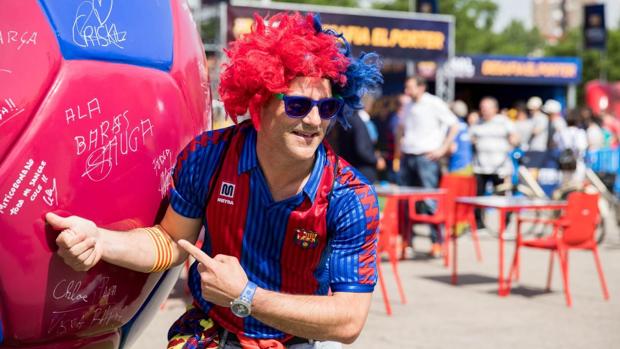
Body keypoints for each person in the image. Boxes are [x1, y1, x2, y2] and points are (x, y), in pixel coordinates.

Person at [45, 12, 383, 349]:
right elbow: (171, 241)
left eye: (327, 108)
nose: (313, 120)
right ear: (259, 103)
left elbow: (349, 319)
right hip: (211, 329)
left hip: (297, 339)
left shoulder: (350, 196)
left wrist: (246, 296)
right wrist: (101, 242)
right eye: (297, 105)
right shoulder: (210, 156)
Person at [395, 76, 459, 257]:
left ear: (422, 87)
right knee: (405, 202)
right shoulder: (408, 105)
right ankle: (407, 243)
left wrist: (443, 149)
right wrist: (398, 150)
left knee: (430, 201)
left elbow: (454, 125)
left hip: (427, 158)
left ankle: (437, 242)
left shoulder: (434, 103)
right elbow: (400, 127)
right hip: (408, 157)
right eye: (406, 87)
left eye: (411, 87)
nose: (407, 91)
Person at [470, 97, 518, 230]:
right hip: (480, 167)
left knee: (503, 198)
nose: (483, 110)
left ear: (495, 109)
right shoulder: (477, 123)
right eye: (482, 108)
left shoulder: (504, 122)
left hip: (500, 167)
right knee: (478, 198)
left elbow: (515, 137)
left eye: (486, 108)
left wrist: (512, 141)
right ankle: (478, 225)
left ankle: (504, 225)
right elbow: (470, 138)